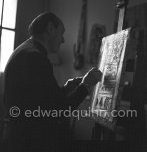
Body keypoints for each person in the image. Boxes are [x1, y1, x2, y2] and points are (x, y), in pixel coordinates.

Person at [3, 12, 102, 151]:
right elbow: (58, 110)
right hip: (27, 142)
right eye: (62, 33)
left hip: (18, 137)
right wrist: (85, 86)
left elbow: (44, 100)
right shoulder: (35, 57)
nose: (63, 40)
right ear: (50, 29)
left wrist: (68, 87)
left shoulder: (25, 50)